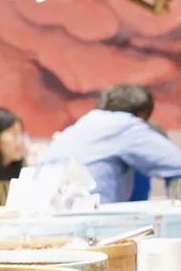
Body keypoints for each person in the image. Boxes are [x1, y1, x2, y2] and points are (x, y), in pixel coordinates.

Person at [40, 84, 181, 204]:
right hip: (89, 215)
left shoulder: (84, 124)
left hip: (46, 211)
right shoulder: (126, 125)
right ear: (142, 114)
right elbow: (176, 162)